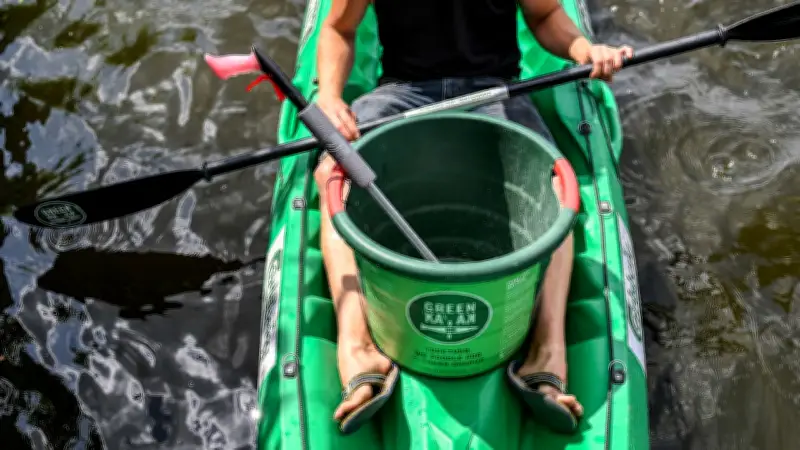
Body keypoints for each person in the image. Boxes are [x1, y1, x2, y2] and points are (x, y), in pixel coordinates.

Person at [312, 0, 633, 435]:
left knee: (556, 185)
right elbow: (337, 28)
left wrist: (583, 49)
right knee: (332, 174)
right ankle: (358, 345)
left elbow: (544, 15)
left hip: (495, 90)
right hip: (403, 92)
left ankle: (546, 350)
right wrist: (330, 97)